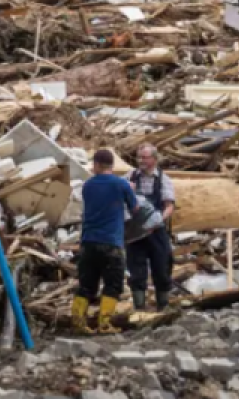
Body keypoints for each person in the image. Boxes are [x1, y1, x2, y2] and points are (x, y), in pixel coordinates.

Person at [72, 149, 138, 334]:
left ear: (98, 165)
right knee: (113, 284)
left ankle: (78, 322)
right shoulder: (121, 184)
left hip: (88, 242)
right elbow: (135, 209)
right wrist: (130, 191)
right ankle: (104, 323)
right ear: (111, 165)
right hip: (111, 243)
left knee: (86, 285)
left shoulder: (87, 186)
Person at [124, 143, 176, 312]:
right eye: (139, 157)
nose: (141, 161)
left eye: (145, 158)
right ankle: (139, 307)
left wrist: (158, 219)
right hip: (135, 232)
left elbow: (169, 206)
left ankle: (163, 305)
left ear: (154, 159)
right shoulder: (130, 176)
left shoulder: (163, 180)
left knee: (161, 267)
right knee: (136, 269)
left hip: (156, 231)